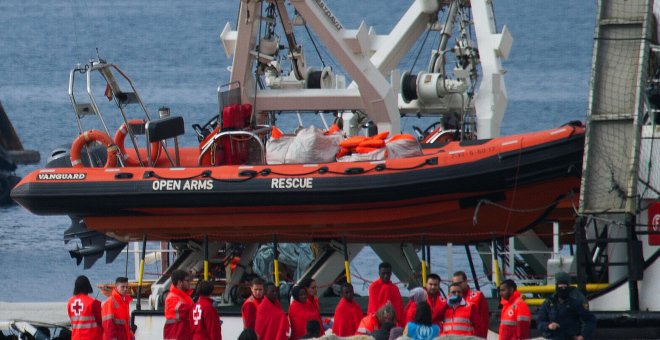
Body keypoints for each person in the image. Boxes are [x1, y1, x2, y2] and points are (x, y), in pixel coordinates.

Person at [537, 275, 596, 340]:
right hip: (552, 337)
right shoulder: (548, 303)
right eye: (560, 287)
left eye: (565, 287)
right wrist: (548, 326)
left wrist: (583, 336)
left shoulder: (575, 303)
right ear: (557, 288)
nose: (563, 289)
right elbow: (540, 322)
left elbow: (590, 320)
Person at [452, 270, 489, 337]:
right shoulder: (451, 300)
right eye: (455, 284)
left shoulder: (478, 296)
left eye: (460, 283)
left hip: (473, 336)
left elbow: (484, 320)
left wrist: (482, 338)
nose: (458, 286)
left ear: (466, 281)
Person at [67, 275, 103, 340]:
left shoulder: (70, 302)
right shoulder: (93, 302)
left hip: (76, 337)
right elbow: (101, 322)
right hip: (91, 337)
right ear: (88, 286)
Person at [164, 269, 194, 340]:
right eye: (187, 280)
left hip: (183, 334)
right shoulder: (172, 297)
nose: (189, 283)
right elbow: (183, 310)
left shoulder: (185, 297)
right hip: (175, 334)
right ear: (180, 282)